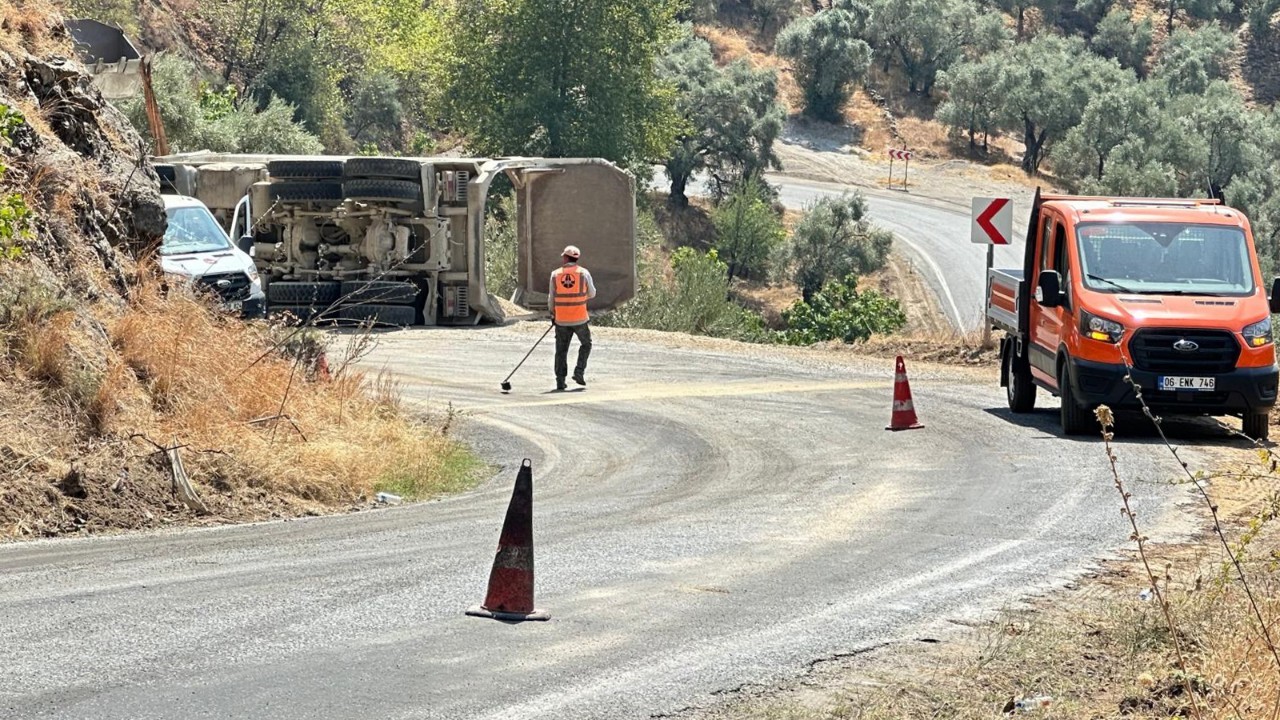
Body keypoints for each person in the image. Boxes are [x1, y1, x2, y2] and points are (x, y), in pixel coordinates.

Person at [549, 244, 596, 391]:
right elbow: (592, 293)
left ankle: (560, 381)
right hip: (580, 318)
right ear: (577, 258)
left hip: (561, 319)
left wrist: (552, 313)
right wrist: (581, 297)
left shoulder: (556, 274)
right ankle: (579, 371)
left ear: (565, 257)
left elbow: (552, 297)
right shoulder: (584, 273)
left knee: (561, 350)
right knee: (586, 344)